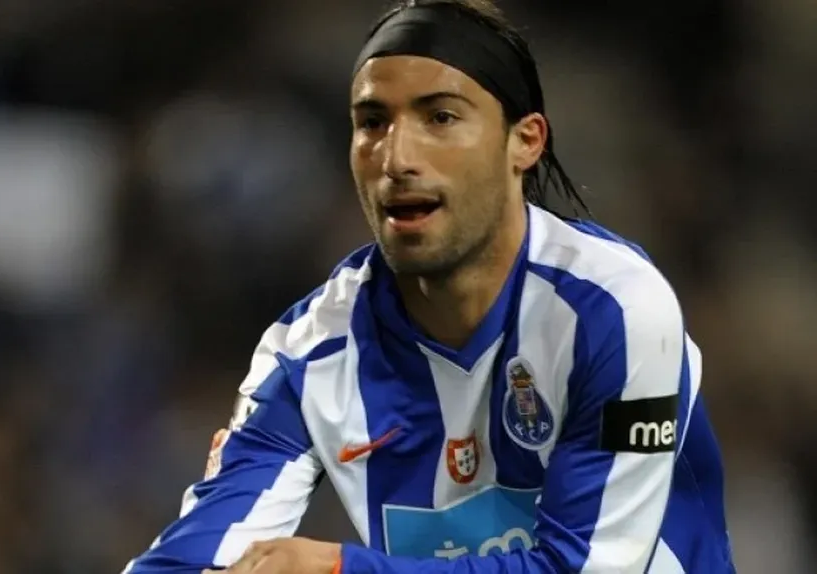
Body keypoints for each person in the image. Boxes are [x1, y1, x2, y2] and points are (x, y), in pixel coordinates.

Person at [123, 0, 735, 572]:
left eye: (440, 117)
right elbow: (204, 551)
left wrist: (343, 566)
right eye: (372, 122)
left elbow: (590, 568)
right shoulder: (309, 355)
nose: (397, 157)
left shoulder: (616, 310)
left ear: (525, 140)